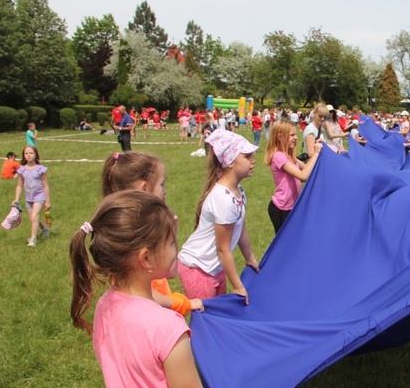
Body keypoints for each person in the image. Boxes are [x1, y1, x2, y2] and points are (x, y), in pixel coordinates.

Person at [69, 190, 262, 388]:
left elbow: (139, 378)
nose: (178, 250)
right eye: (172, 243)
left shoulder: (105, 307)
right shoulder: (167, 326)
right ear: (146, 259)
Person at [101, 151, 203, 316]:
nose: (165, 191)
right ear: (145, 188)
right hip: (150, 317)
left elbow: (170, 272)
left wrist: (171, 236)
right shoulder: (133, 234)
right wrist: (183, 303)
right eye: (162, 184)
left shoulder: (135, 225)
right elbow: (142, 293)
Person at [178, 131, 260, 302]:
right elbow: (223, 249)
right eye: (247, 156)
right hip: (198, 268)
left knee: (216, 315)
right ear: (230, 163)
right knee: (206, 317)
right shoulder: (223, 199)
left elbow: (241, 229)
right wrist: (237, 286)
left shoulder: (237, 191)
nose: (253, 160)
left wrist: (250, 257)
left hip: (215, 268)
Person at [264, 121, 323, 233]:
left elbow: (308, 170)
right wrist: (315, 154)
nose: (296, 138)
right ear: (280, 137)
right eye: (292, 135)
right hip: (281, 209)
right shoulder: (278, 156)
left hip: (292, 207)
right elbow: (303, 175)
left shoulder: (290, 157)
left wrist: (320, 153)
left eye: (296, 134)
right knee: (284, 244)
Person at [12, 146, 50, 247]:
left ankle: (33, 239)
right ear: (24, 156)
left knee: (34, 217)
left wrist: (48, 200)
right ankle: (45, 228)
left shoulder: (41, 169)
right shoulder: (21, 170)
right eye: (26, 153)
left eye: (31, 153)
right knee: (33, 219)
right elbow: (19, 185)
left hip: (39, 197)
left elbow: (45, 185)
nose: (28, 155)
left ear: (36, 155)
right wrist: (16, 199)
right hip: (28, 198)